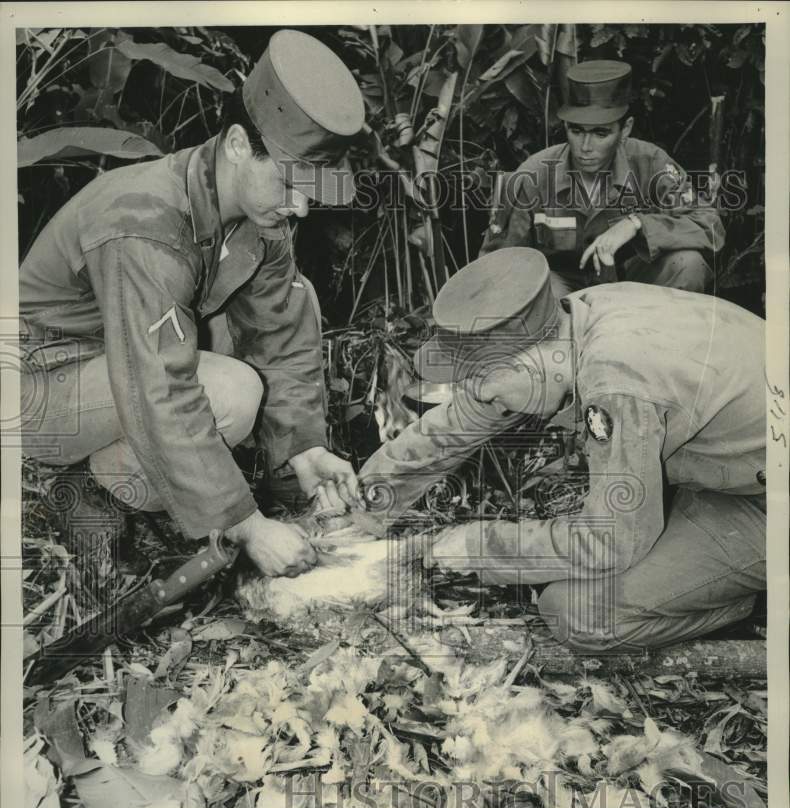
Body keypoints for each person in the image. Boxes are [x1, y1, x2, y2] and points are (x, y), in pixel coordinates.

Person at [18, 30, 367, 578]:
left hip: (113, 359)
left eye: (312, 189)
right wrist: (246, 524)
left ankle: (139, 475)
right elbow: (159, 381)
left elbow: (281, 333)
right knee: (232, 390)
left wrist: (304, 449)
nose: (301, 207)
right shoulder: (143, 224)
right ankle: (98, 484)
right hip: (39, 383)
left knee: (294, 303)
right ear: (234, 144)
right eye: (290, 183)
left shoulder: (258, 216)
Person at [359, 248, 765, 651]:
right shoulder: (574, 317)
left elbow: (612, 542)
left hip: (766, 505)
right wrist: (367, 505)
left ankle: (746, 598)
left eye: (487, 385)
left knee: (576, 613)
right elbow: (459, 422)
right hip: (739, 467)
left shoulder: (616, 380)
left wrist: (481, 548)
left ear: (530, 362)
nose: (482, 398)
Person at [480, 60, 725, 298]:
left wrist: (636, 224)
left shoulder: (650, 163)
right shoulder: (532, 174)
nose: (585, 147)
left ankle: (664, 339)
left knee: (687, 263)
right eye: (576, 131)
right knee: (533, 287)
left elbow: (710, 226)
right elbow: (499, 264)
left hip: (633, 287)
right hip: (561, 295)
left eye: (601, 133)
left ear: (625, 128)